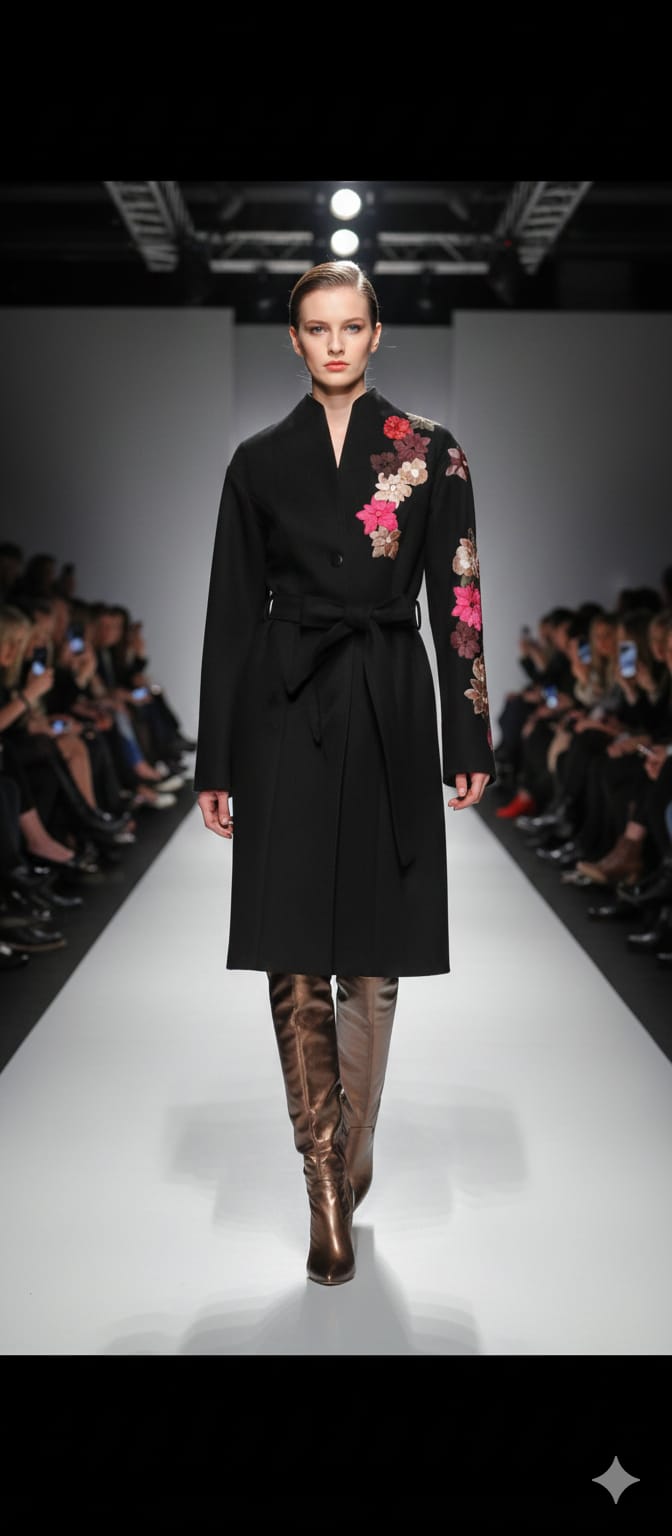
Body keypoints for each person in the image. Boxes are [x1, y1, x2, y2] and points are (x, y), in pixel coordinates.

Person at [194, 260, 498, 1286]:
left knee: (372, 953)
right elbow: (232, 615)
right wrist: (216, 757)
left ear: (375, 333)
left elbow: (459, 597)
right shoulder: (256, 462)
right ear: (294, 339)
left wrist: (470, 737)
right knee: (291, 949)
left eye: (351, 326)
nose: (334, 343)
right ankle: (324, 1179)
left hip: (386, 700)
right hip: (284, 705)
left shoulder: (433, 452)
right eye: (317, 328)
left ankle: (355, 1142)